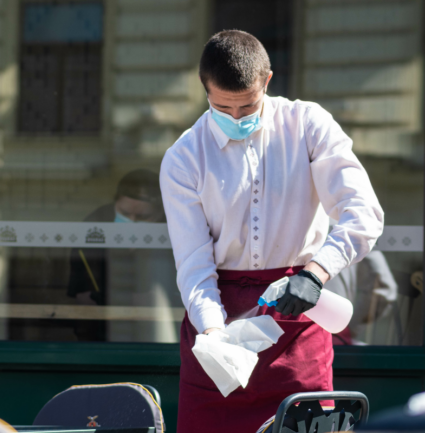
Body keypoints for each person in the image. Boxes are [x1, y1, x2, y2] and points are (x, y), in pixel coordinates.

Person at [159, 30, 384, 432]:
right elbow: (193, 265)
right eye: (222, 107)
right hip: (218, 323)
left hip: (297, 315)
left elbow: (363, 212)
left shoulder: (307, 124)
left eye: (247, 106)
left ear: (267, 80)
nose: (236, 119)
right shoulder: (184, 157)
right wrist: (213, 335)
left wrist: (315, 274)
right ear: (204, 89)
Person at [67, 169, 166, 341]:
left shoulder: (173, 234)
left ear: (159, 215)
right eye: (125, 214)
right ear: (115, 205)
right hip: (101, 336)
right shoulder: (93, 230)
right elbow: (81, 296)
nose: (132, 222)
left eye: (142, 217)